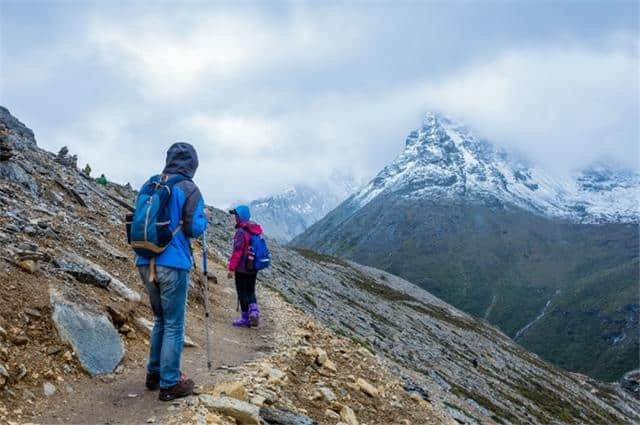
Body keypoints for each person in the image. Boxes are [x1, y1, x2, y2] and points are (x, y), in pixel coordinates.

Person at [136, 142, 207, 401]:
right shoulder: (189, 188)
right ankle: (169, 383)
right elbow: (193, 228)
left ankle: (153, 375)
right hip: (173, 262)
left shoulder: (150, 183)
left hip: (145, 259)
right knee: (174, 324)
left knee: (160, 320)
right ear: (192, 164)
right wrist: (204, 219)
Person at [227, 205, 263, 327]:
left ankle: (245, 318)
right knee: (251, 291)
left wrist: (231, 269)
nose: (234, 217)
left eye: (236, 215)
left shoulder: (241, 232)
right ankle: (254, 312)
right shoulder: (254, 230)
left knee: (242, 292)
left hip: (242, 269)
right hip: (253, 267)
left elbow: (237, 252)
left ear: (240, 217)